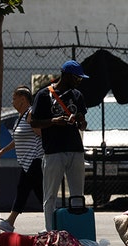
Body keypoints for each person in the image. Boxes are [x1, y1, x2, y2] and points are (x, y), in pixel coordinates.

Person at [29, 60, 88, 231]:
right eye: (78, 78)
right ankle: (50, 231)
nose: (79, 81)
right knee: (50, 195)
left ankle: (77, 232)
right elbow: (34, 122)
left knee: (78, 195)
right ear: (67, 75)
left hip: (75, 149)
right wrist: (53, 121)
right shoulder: (43, 95)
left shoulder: (77, 95)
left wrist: (80, 121)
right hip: (53, 150)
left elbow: (83, 123)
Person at [0, 85, 44, 232]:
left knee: (25, 190)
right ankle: (55, 221)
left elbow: (40, 133)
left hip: (35, 160)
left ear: (23, 99)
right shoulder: (21, 116)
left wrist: (34, 123)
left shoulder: (31, 114)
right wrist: (3, 151)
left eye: (14, 98)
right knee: (39, 193)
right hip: (27, 162)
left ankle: (10, 222)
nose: (12, 102)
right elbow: (18, 139)